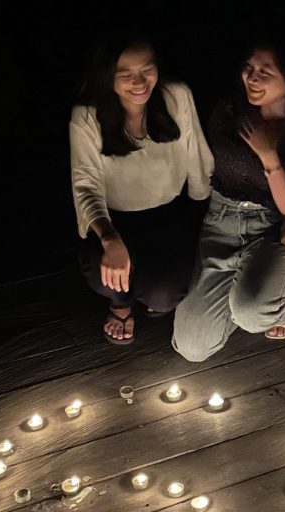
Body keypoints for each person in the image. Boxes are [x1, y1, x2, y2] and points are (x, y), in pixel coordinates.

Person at [172, 38, 285, 361]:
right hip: (221, 222)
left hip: (273, 227)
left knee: (254, 315)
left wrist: (270, 156)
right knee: (192, 346)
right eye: (249, 68)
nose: (251, 78)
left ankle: (281, 297)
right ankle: (250, 292)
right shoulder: (230, 112)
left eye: (265, 72)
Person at [70, 34, 214, 345]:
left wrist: (205, 211)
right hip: (113, 220)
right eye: (126, 74)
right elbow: (85, 184)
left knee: (164, 295)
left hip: (168, 216)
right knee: (110, 277)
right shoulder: (87, 116)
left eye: (147, 70)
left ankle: (149, 293)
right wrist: (109, 237)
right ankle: (120, 305)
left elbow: (196, 154)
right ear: (107, 77)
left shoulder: (176, 96)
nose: (140, 82)